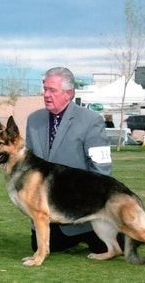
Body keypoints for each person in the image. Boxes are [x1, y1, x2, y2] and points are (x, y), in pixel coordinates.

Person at [26, 67, 117, 253]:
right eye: (45, 89)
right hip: (48, 218)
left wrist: (88, 208)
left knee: (111, 245)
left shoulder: (92, 120)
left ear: (68, 93)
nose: (46, 95)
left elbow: (102, 170)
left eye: (52, 90)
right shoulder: (33, 120)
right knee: (38, 247)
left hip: (85, 215)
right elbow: (29, 165)